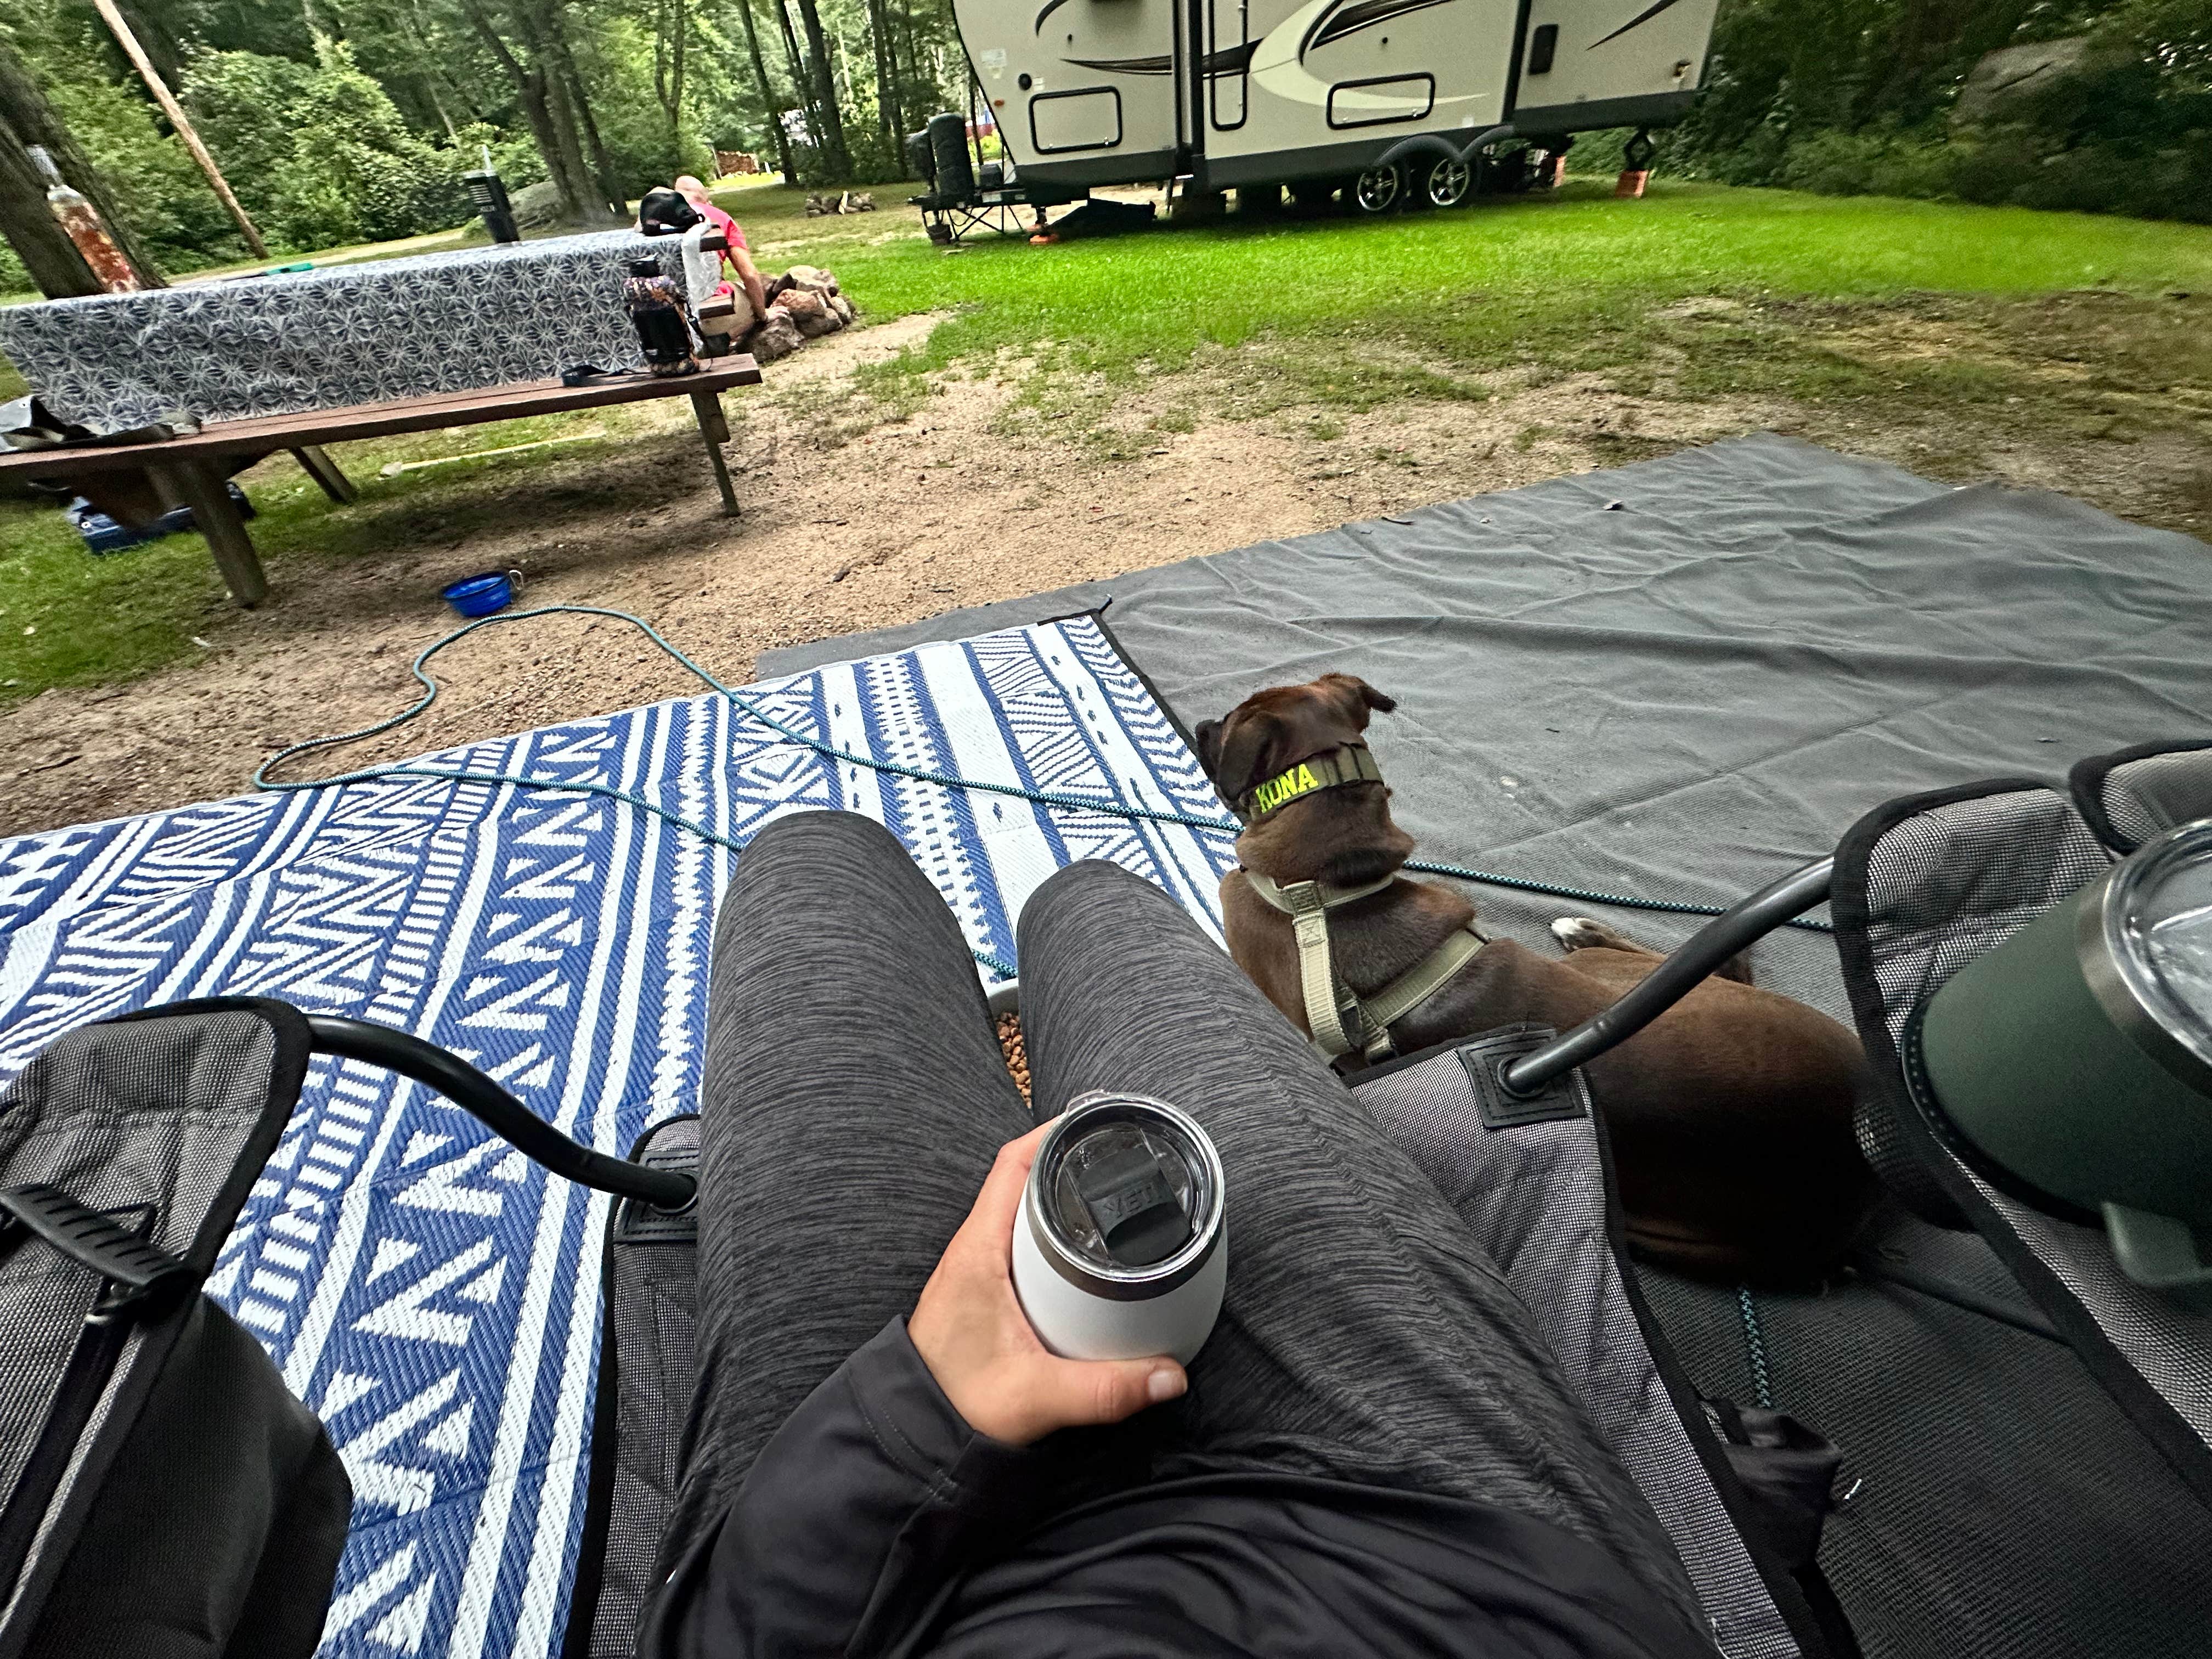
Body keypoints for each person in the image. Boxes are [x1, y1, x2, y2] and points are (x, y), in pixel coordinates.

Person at [641, 811, 1716, 1659]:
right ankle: (1013, 1062)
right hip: (1461, 1576)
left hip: (885, 1606)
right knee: (1094, 901)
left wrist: (911, 1415)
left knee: (817, 861)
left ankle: (981, 1071)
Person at [674, 175, 769, 319]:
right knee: (747, 298)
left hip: (661, 305)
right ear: (707, 200)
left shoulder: (653, 219)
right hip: (706, 306)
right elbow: (749, 275)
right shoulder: (720, 217)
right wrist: (763, 314)